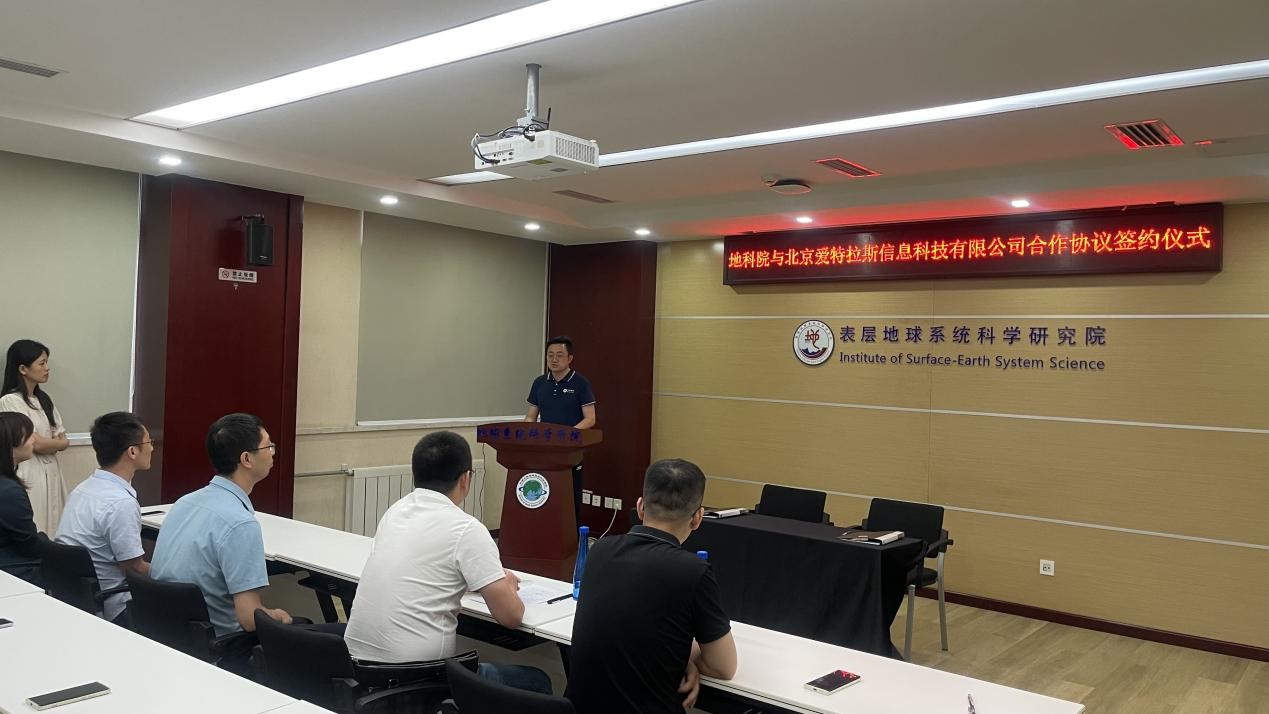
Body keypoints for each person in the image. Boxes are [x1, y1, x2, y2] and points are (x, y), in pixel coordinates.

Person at [345, 430, 551, 694]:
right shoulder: (467, 529)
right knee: (536, 681)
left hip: (358, 668)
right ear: (466, 478)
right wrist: (507, 584)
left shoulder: (395, 512)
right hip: (418, 677)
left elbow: (423, 573)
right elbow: (511, 617)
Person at [566, 458, 738, 714]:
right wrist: (686, 656)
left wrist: (680, 656)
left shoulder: (600, 550)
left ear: (640, 506)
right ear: (697, 518)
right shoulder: (693, 571)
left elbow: (623, 632)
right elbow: (723, 667)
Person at [150, 413, 293, 638]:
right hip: (222, 644)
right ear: (247, 459)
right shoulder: (241, 524)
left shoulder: (184, 502)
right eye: (268, 446)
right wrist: (276, 614)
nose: (273, 452)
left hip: (170, 633)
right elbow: (249, 619)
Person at [55, 412, 154, 626]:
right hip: (114, 607)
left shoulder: (83, 489)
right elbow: (134, 570)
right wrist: (173, 571)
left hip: (75, 600)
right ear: (132, 451)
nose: (152, 448)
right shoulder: (120, 503)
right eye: (149, 442)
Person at [524, 336, 596, 521]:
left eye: (559, 355)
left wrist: (566, 436)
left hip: (570, 451)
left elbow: (590, 419)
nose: (554, 359)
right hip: (544, 449)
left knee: (569, 497)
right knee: (544, 493)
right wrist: (525, 436)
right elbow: (531, 416)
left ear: (570, 358)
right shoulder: (539, 382)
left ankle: (572, 536)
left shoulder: (581, 383)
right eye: (550, 355)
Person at [1, 339, 69, 534]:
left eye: (47, 362)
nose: (47, 368)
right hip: (29, 470)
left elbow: (64, 440)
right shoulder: (10, 401)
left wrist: (55, 443)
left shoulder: (44, 400)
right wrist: (55, 443)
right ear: (23, 368)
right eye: (42, 363)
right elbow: (34, 443)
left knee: (56, 525)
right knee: (36, 523)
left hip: (52, 470)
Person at [0, 412, 40, 584]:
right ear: (11, 443)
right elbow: (28, 545)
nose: (34, 440)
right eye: (29, 435)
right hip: (13, 571)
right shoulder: (9, 491)